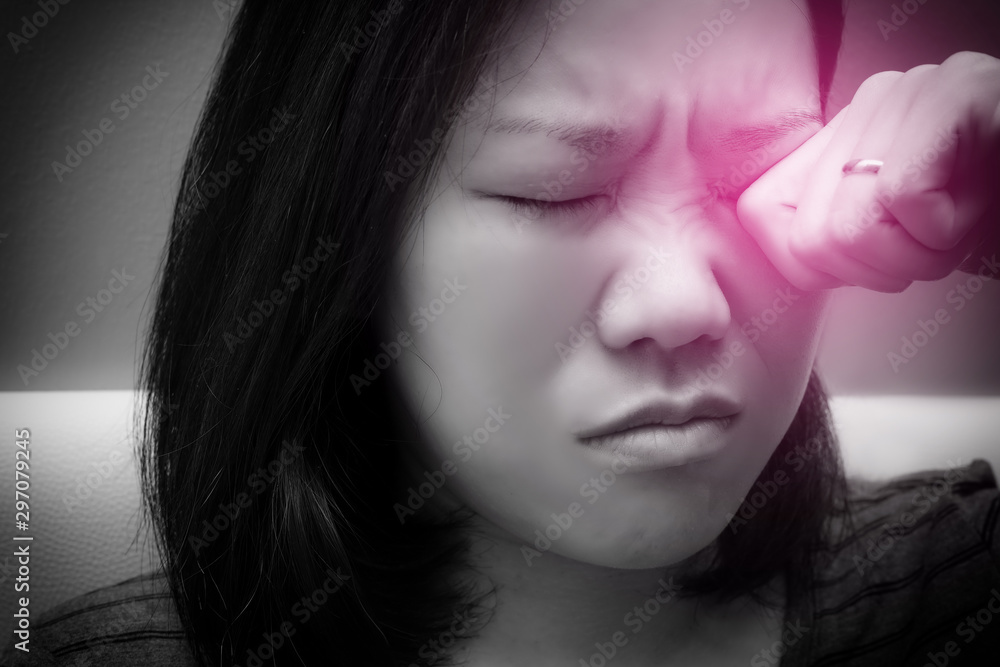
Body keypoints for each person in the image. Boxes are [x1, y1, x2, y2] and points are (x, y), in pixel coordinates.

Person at [6, 0, 999, 665]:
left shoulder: (948, 583)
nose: (681, 301)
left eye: (760, 171)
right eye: (552, 189)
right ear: (344, 242)